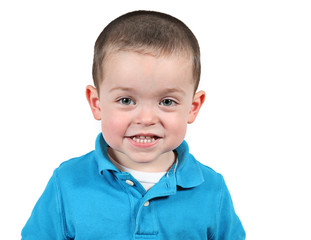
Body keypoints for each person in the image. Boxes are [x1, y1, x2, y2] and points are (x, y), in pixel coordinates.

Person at [21, 10, 245, 239]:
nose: (146, 119)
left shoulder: (211, 189)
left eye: (167, 101)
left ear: (193, 107)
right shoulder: (67, 182)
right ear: (96, 103)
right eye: (126, 100)